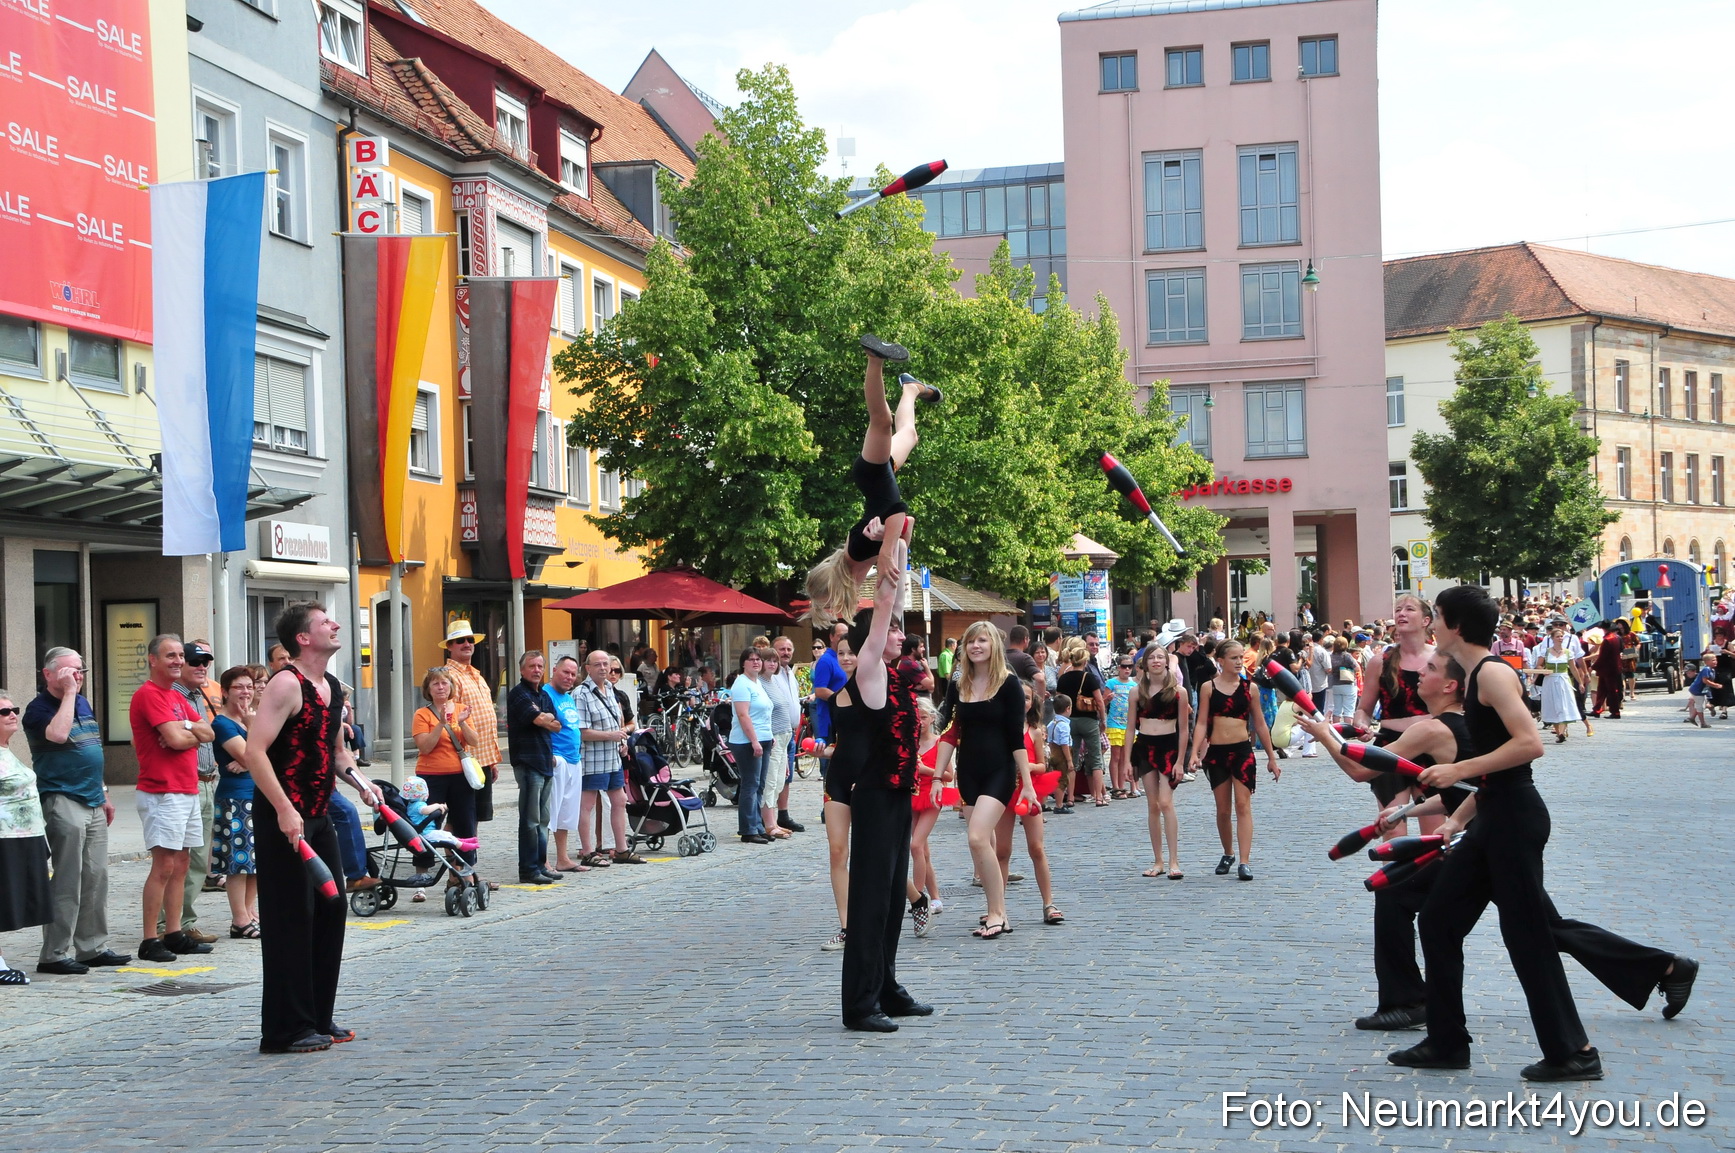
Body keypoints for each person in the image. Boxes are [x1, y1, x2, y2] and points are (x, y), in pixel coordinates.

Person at [241, 602, 385, 1054]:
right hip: (284, 819)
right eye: (325, 622)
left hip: (319, 814)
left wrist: (363, 785)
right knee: (290, 919)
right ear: (303, 638)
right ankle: (286, 1029)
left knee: (330, 910)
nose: (336, 624)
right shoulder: (286, 684)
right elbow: (255, 751)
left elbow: (339, 752)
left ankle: (317, 1016)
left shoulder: (333, 687)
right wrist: (283, 808)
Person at [834, 534, 932, 1031]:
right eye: (892, 630)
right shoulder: (870, 673)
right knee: (871, 900)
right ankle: (860, 1004)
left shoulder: (896, 677)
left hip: (897, 795)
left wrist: (902, 548)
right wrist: (888, 554)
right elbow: (885, 609)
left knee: (894, 897)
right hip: (872, 797)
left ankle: (887, 988)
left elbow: (900, 599)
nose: (899, 634)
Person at [803, 335, 939, 629]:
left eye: (839, 601)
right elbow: (908, 522)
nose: (845, 604)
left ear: (843, 584)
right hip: (880, 476)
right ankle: (911, 388)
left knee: (881, 421)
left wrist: (888, 551)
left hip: (873, 474)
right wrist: (893, 543)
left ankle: (874, 359)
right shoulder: (865, 555)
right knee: (909, 434)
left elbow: (898, 509)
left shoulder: (860, 551)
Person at [26, 648, 129, 974]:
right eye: (70, 672)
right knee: (67, 879)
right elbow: (58, 735)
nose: (78, 677)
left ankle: (92, 947)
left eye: (80, 671)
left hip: (92, 798)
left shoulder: (82, 702)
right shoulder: (37, 709)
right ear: (48, 674)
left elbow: (92, 750)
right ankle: (54, 954)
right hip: (62, 798)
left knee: (96, 876)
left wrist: (105, 793)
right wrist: (69, 693)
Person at [932, 621, 1035, 941]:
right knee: (983, 843)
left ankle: (998, 913)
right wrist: (938, 776)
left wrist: (1028, 783)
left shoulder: (1008, 684)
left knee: (977, 837)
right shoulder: (958, 683)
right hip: (969, 772)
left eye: (982, 640)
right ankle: (997, 911)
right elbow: (950, 733)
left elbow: (1016, 736)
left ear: (993, 645)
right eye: (970, 641)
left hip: (1000, 770)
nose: (975, 646)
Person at [130, 635, 216, 962]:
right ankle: (150, 939)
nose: (179, 660)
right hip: (161, 791)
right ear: (153, 660)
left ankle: (175, 932)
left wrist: (184, 730)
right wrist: (187, 733)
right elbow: (179, 740)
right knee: (164, 866)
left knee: (181, 865)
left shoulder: (178, 697)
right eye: (171, 655)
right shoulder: (149, 695)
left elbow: (208, 733)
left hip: (186, 788)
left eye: (181, 655)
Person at [1187, 638, 1280, 881]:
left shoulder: (1250, 688)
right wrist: (1195, 753)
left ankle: (1244, 861)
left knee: (1242, 805)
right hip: (1217, 753)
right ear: (1220, 661)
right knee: (1223, 810)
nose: (1240, 662)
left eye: (1241, 657)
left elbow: (1259, 723)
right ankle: (1228, 853)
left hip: (1242, 751)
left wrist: (1271, 757)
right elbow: (1201, 722)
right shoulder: (1208, 687)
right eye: (1234, 658)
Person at [1355, 594, 1437, 829]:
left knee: (1432, 836)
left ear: (1425, 620)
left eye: (1410, 609)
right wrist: (1361, 724)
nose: (1402, 613)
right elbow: (1364, 709)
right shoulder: (1380, 661)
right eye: (1398, 609)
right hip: (1391, 748)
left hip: (1432, 747)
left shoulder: (1441, 659)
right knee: (1392, 830)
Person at [166, 641, 221, 943]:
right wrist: (193, 731)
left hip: (207, 781)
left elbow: (207, 735)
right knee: (176, 860)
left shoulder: (198, 695)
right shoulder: (173, 696)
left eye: (206, 662)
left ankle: (183, 920)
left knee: (199, 860)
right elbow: (177, 738)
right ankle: (172, 924)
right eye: (195, 662)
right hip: (183, 784)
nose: (202, 667)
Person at [0, 692, 53, 986]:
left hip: (24, 836)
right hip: (5, 838)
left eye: (13, 709)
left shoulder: (7, 750)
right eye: (4, 711)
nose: (12, 714)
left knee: (11, 903)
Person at [574, 650, 644, 866]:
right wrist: (610, 736)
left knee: (620, 801)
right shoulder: (581, 693)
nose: (603, 668)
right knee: (587, 805)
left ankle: (621, 849)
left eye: (606, 664)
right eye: (598, 664)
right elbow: (581, 731)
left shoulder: (612, 690)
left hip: (613, 757)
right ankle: (588, 851)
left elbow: (618, 723)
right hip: (593, 759)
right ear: (587, 668)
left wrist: (621, 742)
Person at [412, 667, 480, 880]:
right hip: (431, 776)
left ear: (451, 686)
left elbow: (474, 741)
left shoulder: (461, 709)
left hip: (460, 776)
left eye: (444, 683)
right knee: (427, 824)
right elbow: (425, 747)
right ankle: (422, 873)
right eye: (435, 684)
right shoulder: (422, 714)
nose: (441, 687)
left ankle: (464, 872)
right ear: (428, 689)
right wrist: (441, 723)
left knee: (465, 822)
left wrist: (460, 722)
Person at [1130, 645, 1189, 879]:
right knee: (1152, 805)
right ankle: (1158, 861)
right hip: (1144, 746)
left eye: (1160, 657)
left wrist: (1181, 761)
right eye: (1151, 657)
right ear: (1145, 663)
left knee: (1166, 802)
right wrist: (1127, 760)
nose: (1156, 661)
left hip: (1168, 748)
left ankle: (1174, 860)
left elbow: (1184, 730)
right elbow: (1128, 729)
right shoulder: (1137, 691)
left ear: (1167, 661)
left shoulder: (1179, 692)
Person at [210, 667, 261, 938]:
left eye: (249, 686)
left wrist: (251, 755)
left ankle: (250, 911)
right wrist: (252, 741)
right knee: (238, 861)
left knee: (257, 861)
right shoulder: (223, 723)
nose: (246, 692)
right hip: (235, 798)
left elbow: (266, 755)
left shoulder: (251, 720)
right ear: (226, 692)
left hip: (258, 794)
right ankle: (239, 919)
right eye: (239, 687)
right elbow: (250, 757)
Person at [506, 651, 564, 884]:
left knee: (542, 819)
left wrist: (544, 716)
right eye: (532, 666)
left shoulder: (543, 695)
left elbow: (558, 725)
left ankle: (541, 864)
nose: (536, 670)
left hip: (545, 760)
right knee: (530, 820)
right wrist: (544, 718)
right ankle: (528, 869)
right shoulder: (518, 694)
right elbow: (540, 721)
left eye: (540, 666)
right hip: (528, 762)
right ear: (522, 670)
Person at [441, 620, 502, 834]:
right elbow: (449, 721)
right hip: (464, 760)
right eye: (460, 641)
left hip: (481, 758)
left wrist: (491, 760)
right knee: (461, 815)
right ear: (450, 646)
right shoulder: (449, 676)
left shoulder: (475, 673)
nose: (467, 644)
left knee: (473, 815)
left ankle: (465, 858)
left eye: (470, 640)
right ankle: (456, 861)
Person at [819, 644, 860, 952]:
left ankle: (915, 896)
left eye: (852, 652)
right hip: (838, 778)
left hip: (868, 780)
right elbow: (838, 743)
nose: (846, 658)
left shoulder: (875, 695)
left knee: (874, 853)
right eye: (841, 653)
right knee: (837, 851)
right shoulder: (834, 700)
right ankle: (847, 926)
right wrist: (823, 749)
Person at [906, 695, 950, 937]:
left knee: (915, 845)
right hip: (912, 795)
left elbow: (949, 776)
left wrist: (926, 771)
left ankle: (918, 896)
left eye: (924, 717)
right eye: (916, 717)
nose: (920, 721)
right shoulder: (910, 742)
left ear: (932, 718)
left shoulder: (940, 742)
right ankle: (935, 898)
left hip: (932, 796)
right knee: (923, 851)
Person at [727, 648, 778, 844]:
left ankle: (757, 825)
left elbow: (764, 713)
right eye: (751, 660)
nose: (756, 662)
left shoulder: (757, 683)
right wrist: (755, 740)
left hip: (763, 738)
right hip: (747, 740)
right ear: (743, 663)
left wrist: (768, 736)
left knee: (760, 784)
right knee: (750, 784)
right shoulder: (741, 684)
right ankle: (748, 829)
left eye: (758, 659)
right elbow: (743, 715)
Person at [544, 656, 588, 873]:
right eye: (565, 672)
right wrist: (550, 756)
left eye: (573, 674)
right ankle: (543, 860)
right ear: (554, 670)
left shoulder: (568, 698)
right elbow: (541, 727)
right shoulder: (546, 694)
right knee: (549, 812)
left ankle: (563, 858)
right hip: (557, 759)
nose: (570, 677)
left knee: (566, 813)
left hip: (573, 759)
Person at [1057, 641, 1106, 807]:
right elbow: (1099, 701)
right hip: (1089, 720)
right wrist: (1103, 720)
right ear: (1085, 661)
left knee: (1072, 760)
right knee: (1096, 758)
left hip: (1069, 721)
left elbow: (1058, 700)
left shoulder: (1063, 678)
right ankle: (1099, 797)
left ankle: (1070, 797)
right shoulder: (1089, 678)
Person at [765, 635, 804, 835]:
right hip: (775, 732)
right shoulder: (771, 674)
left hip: (790, 732)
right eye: (782, 649)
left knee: (785, 777)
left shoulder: (790, 672)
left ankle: (783, 814)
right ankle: (769, 818)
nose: (786, 653)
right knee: (772, 778)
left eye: (789, 649)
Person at [1528, 622, 1583, 742]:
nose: (1560, 638)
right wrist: (1544, 671)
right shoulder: (1546, 652)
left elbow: (1573, 668)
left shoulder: (1568, 652)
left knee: (1564, 705)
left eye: (1561, 636)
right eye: (1558, 636)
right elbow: (1538, 665)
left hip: (1563, 679)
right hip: (1550, 681)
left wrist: (1581, 683)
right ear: (1552, 638)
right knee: (1552, 705)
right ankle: (1558, 733)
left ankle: (1562, 732)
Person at [1104, 654, 1138, 799]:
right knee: (1116, 756)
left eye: (1130, 667)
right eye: (1124, 666)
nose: (1127, 669)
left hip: (1129, 724)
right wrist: (1107, 699)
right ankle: (1116, 787)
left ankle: (1123, 785)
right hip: (1115, 723)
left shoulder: (1134, 685)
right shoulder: (1111, 683)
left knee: (1126, 756)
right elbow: (1103, 702)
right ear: (1118, 667)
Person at [1589, 619, 1626, 719]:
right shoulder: (1616, 638)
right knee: (1602, 689)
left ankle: (1615, 712)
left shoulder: (1607, 640)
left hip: (1609, 669)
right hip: (1613, 668)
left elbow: (1602, 657)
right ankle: (1597, 709)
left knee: (1611, 691)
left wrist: (1593, 667)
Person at [1045, 694, 1075, 815]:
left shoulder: (1052, 722)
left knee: (1050, 777)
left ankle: (1044, 802)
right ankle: (1059, 805)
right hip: (1061, 754)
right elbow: (1064, 743)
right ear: (1068, 708)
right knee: (1062, 780)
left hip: (1052, 750)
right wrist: (1069, 760)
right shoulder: (1064, 725)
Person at [1684, 661, 1719, 728]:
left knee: (1700, 706)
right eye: (1686, 673)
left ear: (1694, 671)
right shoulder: (1690, 679)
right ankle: (1692, 718)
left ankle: (1699, 721)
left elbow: (1706, 685)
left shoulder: (1700, 676)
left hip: (1702, 692)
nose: (1687, 675)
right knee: (1699, 705)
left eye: (1688, 673)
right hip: (1697, 692)